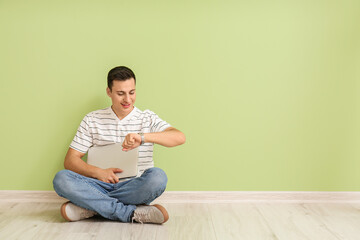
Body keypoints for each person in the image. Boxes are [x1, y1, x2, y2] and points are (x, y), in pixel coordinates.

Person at [53, 66, 186, 224]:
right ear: (109, 92)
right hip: (98, 185)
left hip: (134, 187)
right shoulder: (92, 119)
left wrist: (142, 138)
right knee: (61, 179)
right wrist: (98, 172)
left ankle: (93, 208)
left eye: (132, 92)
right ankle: (129, 213)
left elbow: (179, 137)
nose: (127, 100)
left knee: (158, 177)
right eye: (120, 93)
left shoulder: (147, 118)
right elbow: (70, 160)